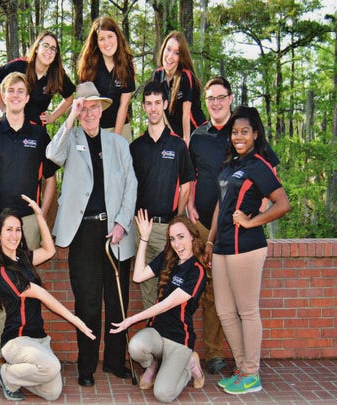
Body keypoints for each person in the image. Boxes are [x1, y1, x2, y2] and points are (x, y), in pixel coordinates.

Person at [46, 82, 137, 386]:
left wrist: (123, 223)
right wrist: (69, 117)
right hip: (82, 231)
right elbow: (52, 155)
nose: (90, 112)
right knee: (86, 300)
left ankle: (114, 361)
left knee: (116, 298)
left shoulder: (118, 143)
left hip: (115, 232)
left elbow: (130, 186)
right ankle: (86, 367)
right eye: (84, 106)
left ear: (102, 110)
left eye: (94, 106)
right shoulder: (70, 139)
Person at [187, 77, 280, 374]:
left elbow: (273, 181)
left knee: (234, 304)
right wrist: (189, 208)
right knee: (214, 299)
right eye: (210, 98)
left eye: (220, 97)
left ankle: (226, 359)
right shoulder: (202, 139)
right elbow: (195, 179)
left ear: (229, 99)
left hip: (242, 236)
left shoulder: (246, 137)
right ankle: (238, 366)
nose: (215, 102)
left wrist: (257, 214)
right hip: (206, 226)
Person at [0, 72, 59, 372]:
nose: (15, 95)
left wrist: (40, 214)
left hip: (28, 223)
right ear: (4, 95)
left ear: (27, 96)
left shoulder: (38, 134)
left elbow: (51, 179)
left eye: (21, 91)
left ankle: (29, 343)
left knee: (27, 284)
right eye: (10, 90)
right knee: (0, 287)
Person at [206, 106, 290, 395]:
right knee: (225, 311)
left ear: (255, 134)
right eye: (234, 131)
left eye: (245, 131)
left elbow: (282, 203)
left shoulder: (259, 164)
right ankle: (242, 369)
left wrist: (252, 220)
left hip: (247, 247)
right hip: (222, 248)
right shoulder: (229, 165)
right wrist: (209, 241)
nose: (239, 136)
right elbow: (220, 205)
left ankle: (252, 373)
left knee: (247, 310)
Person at [0, 195, 95, 401]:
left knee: (52, 392)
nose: (14, 235)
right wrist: (76, 320)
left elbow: (49, 250)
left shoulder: (24, 259)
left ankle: (20, 373)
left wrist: (39, 215)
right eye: (8, 230)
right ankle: (5, 375)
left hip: (39, 339)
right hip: (17, 341)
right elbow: (41, 294)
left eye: (17, 229)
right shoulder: (1, 272)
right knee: (52, 366)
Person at [110, 210, 207, 403]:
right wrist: (144, 239)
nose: (177, 244)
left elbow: (166, 305)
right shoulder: (168, 257)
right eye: (172, 239)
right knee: (136, 347)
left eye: (181, 237)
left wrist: (131, 320)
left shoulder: (197, 271)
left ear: (193, 237)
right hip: (157, 332)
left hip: (178, 339)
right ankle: (153, 365)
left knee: (163, 394)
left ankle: (189, 366)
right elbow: (138, 276)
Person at [130, 81, 195, 310]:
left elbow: (186, 185)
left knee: (170, 286)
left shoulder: (177, 145)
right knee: (147, 287)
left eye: (158, 103)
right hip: (143, 228)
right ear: (144, 108)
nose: (153, 108)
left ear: (165, 104)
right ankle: (151, 337)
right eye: (148, 104)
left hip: (169, 230)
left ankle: (169, 341)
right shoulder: (136, 147)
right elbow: (129, 187)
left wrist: (176, 221)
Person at [0, 31, 75, 126]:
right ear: (37, 48)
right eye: (45, 45)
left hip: (36, 131)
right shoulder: (20, 65)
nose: (49, 51)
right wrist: (3, 107)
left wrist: (52, 117)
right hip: (12, 125)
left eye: (53, 49)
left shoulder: (57, 74)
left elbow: (69, 98)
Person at [76, 16, 135, 142]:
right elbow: (86, 106)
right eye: (101, 39)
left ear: (117, 37)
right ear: (96, 43)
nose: (107, 43)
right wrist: (94, 134)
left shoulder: (127, 64)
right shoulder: (89, 67)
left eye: (110, 36)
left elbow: (123, 106)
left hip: (120, 128)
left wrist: (115, 139)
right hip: (94, 129)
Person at [153, 31, 206, 144]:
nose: (170, 56)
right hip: (176, 135)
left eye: (176, 53)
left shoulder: (186, 77)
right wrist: (172, 137)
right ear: (163, 49)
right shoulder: (157, 75)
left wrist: (186, 142)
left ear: (181, 57)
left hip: (196, 134)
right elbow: (161, 112)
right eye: (168, 49)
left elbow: (186, 115)